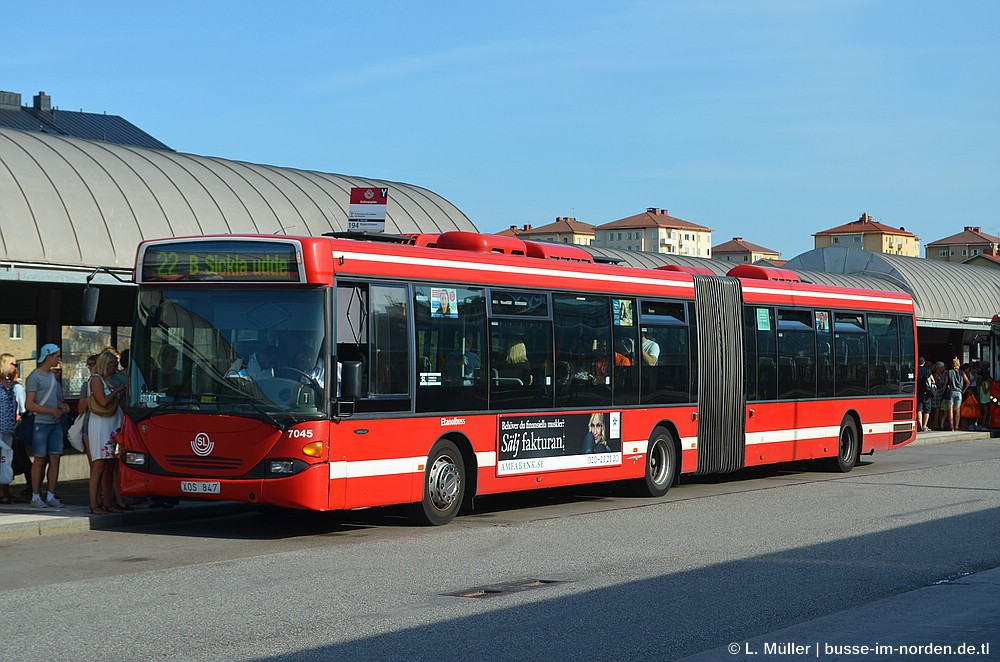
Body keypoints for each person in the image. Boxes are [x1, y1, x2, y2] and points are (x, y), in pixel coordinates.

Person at [25, 343, 71, 509]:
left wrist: (62, 407)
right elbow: (29, 404)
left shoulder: (53, 377)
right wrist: (52, 410)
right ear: (49, 356)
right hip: (41, 424)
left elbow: (56, 400)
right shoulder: (34, 377)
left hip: (55, 423)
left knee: (55, 458)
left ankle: (51, 495)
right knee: (39, 459)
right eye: (57, 356)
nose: (59, 359)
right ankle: (35, 496)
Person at [87, 351, 126, 514]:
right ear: (106, 365)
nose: (115, 369)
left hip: (112, 425)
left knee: (111, 464)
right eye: (113, 366)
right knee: (99, 464)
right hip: (100, 426)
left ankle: (108, 502)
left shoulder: (108, 380)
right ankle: (94, 503)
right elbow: (102, 401)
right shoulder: (96, 379)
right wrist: (117, 391)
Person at [0, 354, 18, 504]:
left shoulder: (9, 383)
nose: (15, 367)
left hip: (8, 428)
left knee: (6, 461)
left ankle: (5, 490)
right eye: (13, 364)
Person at [944, 357, 968, 432]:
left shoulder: (949, 372)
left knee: (950, 410)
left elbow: (945, 383)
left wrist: (943, 391)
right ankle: (957, 426)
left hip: (951, 392)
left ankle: (952, 427)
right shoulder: (962, 372)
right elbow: (968, 382)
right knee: (957, 410)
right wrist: (963, 390)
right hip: (959, 393)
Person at [916, 356, 931, 432]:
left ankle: (920, 425)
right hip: (926, 392)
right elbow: (932, 381)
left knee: (919, 409)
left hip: (918, 392)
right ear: (924, 363)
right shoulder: (927, 371)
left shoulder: (915, 370)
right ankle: (925, 426)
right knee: (927, 410)